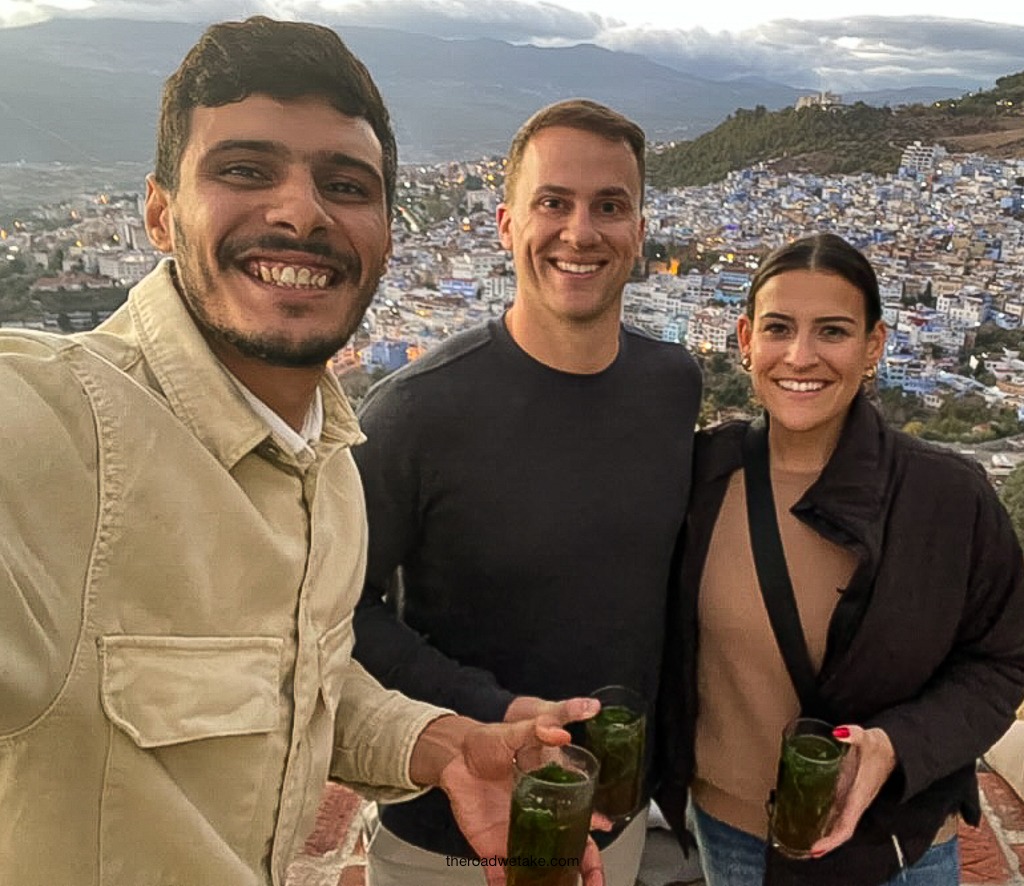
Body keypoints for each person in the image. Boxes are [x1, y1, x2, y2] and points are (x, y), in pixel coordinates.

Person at [0, 18, 604, 886]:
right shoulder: (56, 434)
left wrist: (441, 745)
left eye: (345, 185)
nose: (300, 211)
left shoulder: (328, 463)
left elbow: (295, 677)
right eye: (245, 171)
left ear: (387, 236)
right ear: (160, 213)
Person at [351, 98, 704, 885]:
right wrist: (492, 709)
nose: (580, 232)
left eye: (609, 206)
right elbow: (339, 609)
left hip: (614, 823)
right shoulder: (416, 412)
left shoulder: (673, 386)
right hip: (453, 833)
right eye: (554, 203)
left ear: (639, 233)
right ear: (507, 224)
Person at [655, 232, 1024, 885]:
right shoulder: (699, 478)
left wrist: (896, 746)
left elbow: (1004, 659)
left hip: (894, 848)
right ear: (745, 340)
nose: (801, 356)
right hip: (735, 838)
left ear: (873, 346)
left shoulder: (943, 497)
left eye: (832, 331)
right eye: (778, 328)